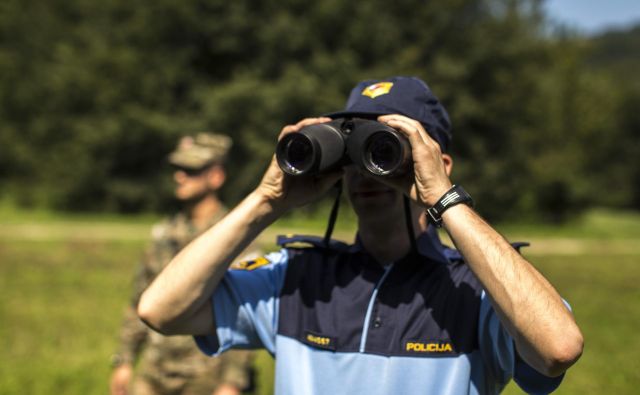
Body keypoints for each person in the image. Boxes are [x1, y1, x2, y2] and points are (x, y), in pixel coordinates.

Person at [137, 76, 584, 395]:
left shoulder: (474, 288)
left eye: (385, 148)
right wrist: (265, 201)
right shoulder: (297, 278)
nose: (367, 171)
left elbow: (558, 348)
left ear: (439, 164)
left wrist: (444, 200)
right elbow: (162, 310)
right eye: (355, 151)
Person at [110, 133, 255, 395]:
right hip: (156, 372)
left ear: (216, 176)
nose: (180, 176)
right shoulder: (164, 234)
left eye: (191, 170)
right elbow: (139, 301)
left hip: (206, 376)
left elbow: (246, 314)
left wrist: (232, 382)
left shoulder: (234, 236)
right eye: (178, 169)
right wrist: (124, 359)